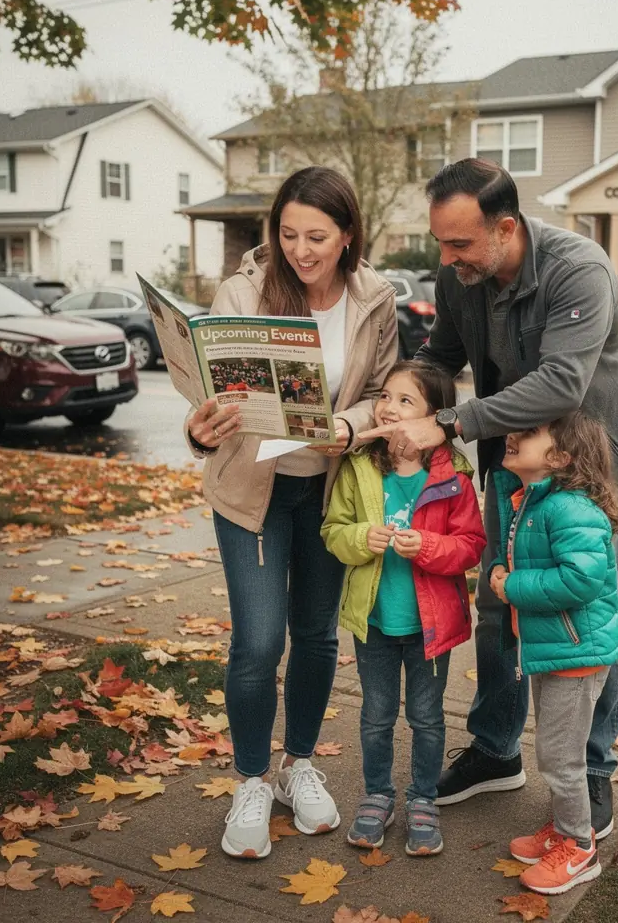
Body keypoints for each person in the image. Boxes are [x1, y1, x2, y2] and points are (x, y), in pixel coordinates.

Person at [358, 158, 618, 840]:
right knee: (497, 598)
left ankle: (593, 766)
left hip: (584, 466)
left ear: (506, 227)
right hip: (511, 459)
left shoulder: (581, 270)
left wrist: (449, 423)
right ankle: (495, 748)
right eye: (440, 243)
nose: (446, 258)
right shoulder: (463, 280)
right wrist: (400, 400)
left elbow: (560, 386)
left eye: (459, 244)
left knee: (587, 607)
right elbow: (441, 356)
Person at [185, 166, 398, 860]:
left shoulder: (376, 297)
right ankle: (250, 779)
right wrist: (201, 428)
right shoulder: (243, 291)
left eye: (317, 237)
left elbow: (379, 390)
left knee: (315, 637)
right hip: (253, 491)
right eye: (287, 234)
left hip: (329, 489)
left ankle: (297, 766)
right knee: (257, 642)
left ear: (347, 236)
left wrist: (348, 424)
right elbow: (209, 394)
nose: (300, 251)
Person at [321, 361, 486, 857]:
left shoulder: (454, 476)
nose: (389, 407)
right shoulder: (360, 467)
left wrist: (429, 548)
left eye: (406, 401)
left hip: (429, 627)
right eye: (386, 396)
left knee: (426, 716)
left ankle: (421, 798)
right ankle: (377, 795)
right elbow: (334, 531)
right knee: (375, 715)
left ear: (433, 417)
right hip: (373, 622)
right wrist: (359, 538)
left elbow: (472, 544)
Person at [489, 413, 618, 895]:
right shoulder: (535, 500)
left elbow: (581, 580)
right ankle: (567, 825)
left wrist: (513, 586)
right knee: (555, 748)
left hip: (576, 651)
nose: (512, 435)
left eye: (527, 433)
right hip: (557, 649)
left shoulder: (569, 507)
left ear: (560, 458)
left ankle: (578, 847)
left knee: (560, 757)